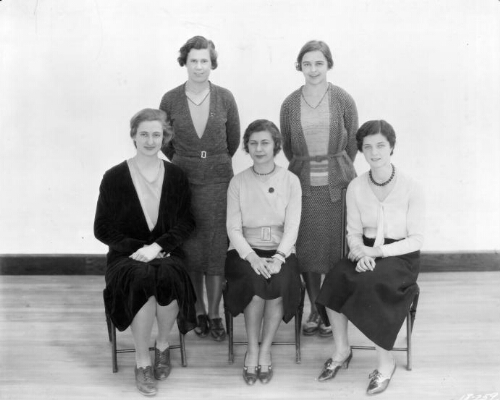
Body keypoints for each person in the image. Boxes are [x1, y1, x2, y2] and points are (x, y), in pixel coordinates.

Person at [315, 120, 425, 395]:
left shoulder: (412, 187)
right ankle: (341, 351)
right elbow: (352, 233)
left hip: (400, 256)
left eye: (380, 146)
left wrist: (377, 252)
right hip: (363, 252)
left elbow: (416, 240)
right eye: (367, 147)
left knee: (371, 284)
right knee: (335, 278)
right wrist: (359, 252)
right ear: (361, 151)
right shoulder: (355, 186)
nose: (374, 152)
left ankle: (384, 362)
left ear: (392, 147)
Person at [94, 108, 197, 396]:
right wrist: (140, 250)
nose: (150, 140)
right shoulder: (114, 177)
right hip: (127, 257)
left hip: (165, 253)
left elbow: (187, 221)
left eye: (156, 134)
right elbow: (102, 229)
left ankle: (162, 345)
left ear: (165, 137)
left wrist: (158, 247)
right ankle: (142, 361)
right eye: (144, 134)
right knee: (141, 279)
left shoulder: (176, 176)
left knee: (169, 275)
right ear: (133, 137)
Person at [159, 35, 240, 341]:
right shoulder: (170, 99)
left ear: (212, 63)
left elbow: (232, 141)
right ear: (185, 62)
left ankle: (216, 313)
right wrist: (186, 161)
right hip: (184, 180)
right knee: (191, 248)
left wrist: (211, 161)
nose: (199, 66)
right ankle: (199, 310)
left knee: (216, 249)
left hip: (219, 180)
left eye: (204, 60)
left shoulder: (225, 97)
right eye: (193, 60)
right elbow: (166, 141)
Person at [280, 40, 358, 337]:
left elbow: (350, 144)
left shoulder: (342, 98)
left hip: (338, 185)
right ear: (300, 66)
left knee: (336, 252)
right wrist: (307, 166)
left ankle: (334, 308)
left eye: (319, 63)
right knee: (309, 253)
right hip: (304, 187)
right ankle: (315, 308)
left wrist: (335, 167)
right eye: (307, 63)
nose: (313, 69)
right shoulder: (289, 103)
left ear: (329, 65)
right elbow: (288, 146)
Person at [224, 120, 302, 385]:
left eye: (265, 142)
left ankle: (266, 348)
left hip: (281, 252)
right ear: (246, 146)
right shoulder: (238, 182)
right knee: (254, 281)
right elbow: (233, 228)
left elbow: (293, 225)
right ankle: (252, 349)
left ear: (276, 146)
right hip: (245, 252)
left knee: (278, 282)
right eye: (253, 143)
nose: (259, 148)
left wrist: (279, 258)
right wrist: (252, 258)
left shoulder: (291, 180)